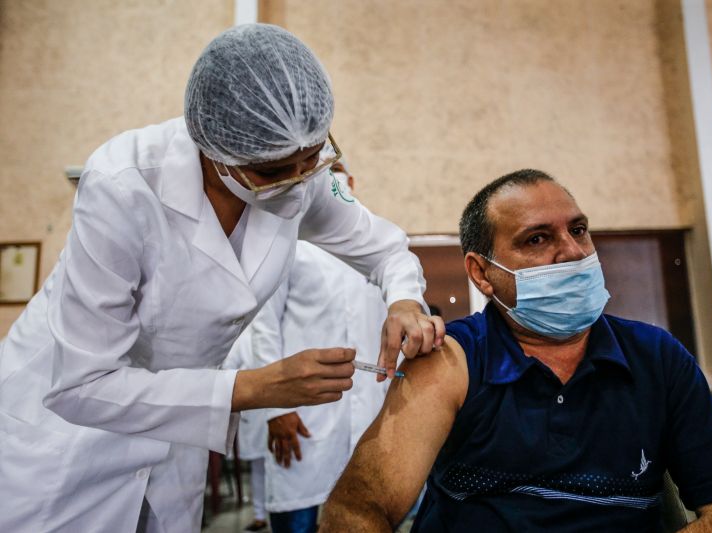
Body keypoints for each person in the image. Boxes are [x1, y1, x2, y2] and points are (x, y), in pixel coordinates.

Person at [0, 24, 444, 533]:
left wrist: (404, 300)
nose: (300, 180)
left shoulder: (300, 174)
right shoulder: (122, 187)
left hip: (177, 435)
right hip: (65, 439)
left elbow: (385, 247)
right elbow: (82, 386)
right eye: (276, 170)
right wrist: (253, 387)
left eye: (313, 157)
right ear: (214, 150)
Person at [320, 169, 712, 532]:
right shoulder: (455, 359)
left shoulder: (657, 358)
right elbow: (358, 511)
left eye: (579, 230)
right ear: (481, 274)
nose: (572, 251)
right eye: (537, 239)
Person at [243, 161, 393, 533]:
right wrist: (276, 408)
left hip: (368, 411)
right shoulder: (286, 245)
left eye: (340, 178)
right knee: (301, 514)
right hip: (302, 413)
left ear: (353, 183)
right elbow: (264, 329)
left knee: (364, 512)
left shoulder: (373, 252)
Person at [222, 327, 271, 532]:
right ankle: (260, 514)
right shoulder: (243, 336)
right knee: (259, 466)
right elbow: (228, 370)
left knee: (285, 465)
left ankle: (283, 511)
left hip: (283, 407)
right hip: (256, 410)